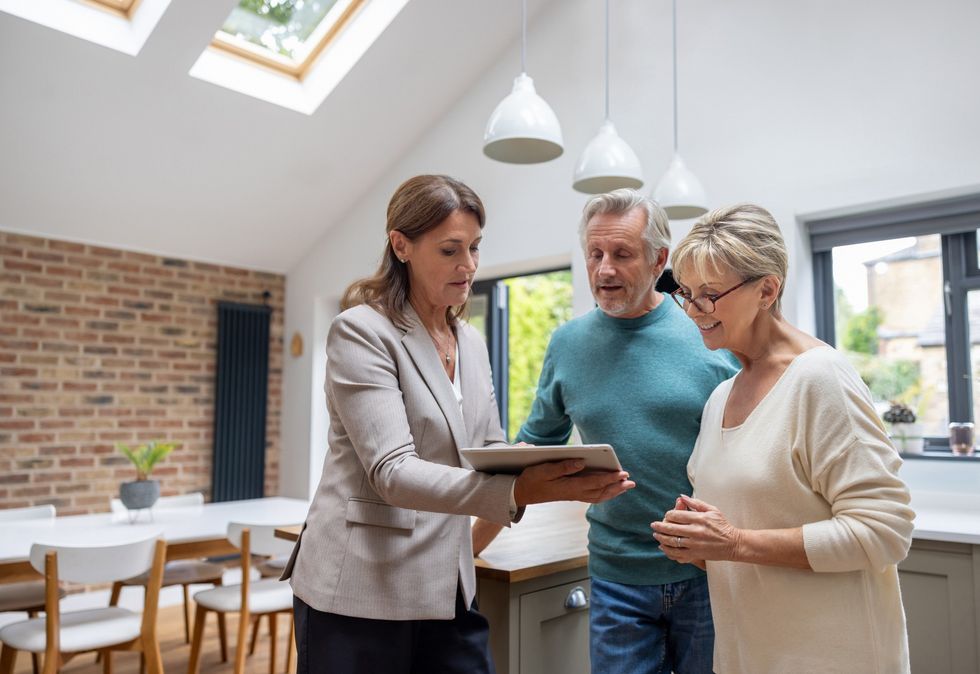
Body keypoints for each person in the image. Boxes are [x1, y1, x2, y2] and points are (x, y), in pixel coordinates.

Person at [282, 174, 634, 674]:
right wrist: (519, 491)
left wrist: (556, 473)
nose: (468, 266)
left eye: (474, 248)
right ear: (401, 245)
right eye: (450, 250)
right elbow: (393, 471)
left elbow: (488, 445)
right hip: (359, 588)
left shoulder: (467, 340)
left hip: (447, 582)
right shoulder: (362, 331)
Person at [652, 203, 915, 673]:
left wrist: (733, 542)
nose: (692, 310)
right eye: (687, 294)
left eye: (709, 295)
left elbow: (884, 531)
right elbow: (746, 535)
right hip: (749, 657)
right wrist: (698, 545)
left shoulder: (820, 378)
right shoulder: (720, 398)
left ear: (767, 290)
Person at [486, 189, 739, 674]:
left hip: (708, 574)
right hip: (616, 578)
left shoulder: (708, 331)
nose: (604, 270)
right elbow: (534, 451)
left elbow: (751, 445)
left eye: (622, 254)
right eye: (595, 254)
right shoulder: (567, 343)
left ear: (658, 258)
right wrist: (470, 539)